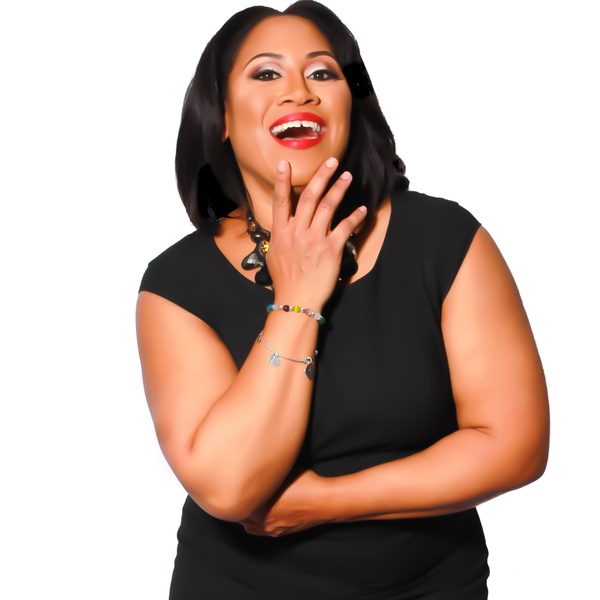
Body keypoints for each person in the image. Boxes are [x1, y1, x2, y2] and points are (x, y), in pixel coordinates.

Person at [136, 2, 550, 598]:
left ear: (350, 104)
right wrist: (298, 298)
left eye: (323, 72)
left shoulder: (445, 239)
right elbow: (228, 486)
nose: (299, 91)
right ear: (221, 116)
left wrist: (327, 501)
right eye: (266, 73)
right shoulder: (176, 283)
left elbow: (514, 446)